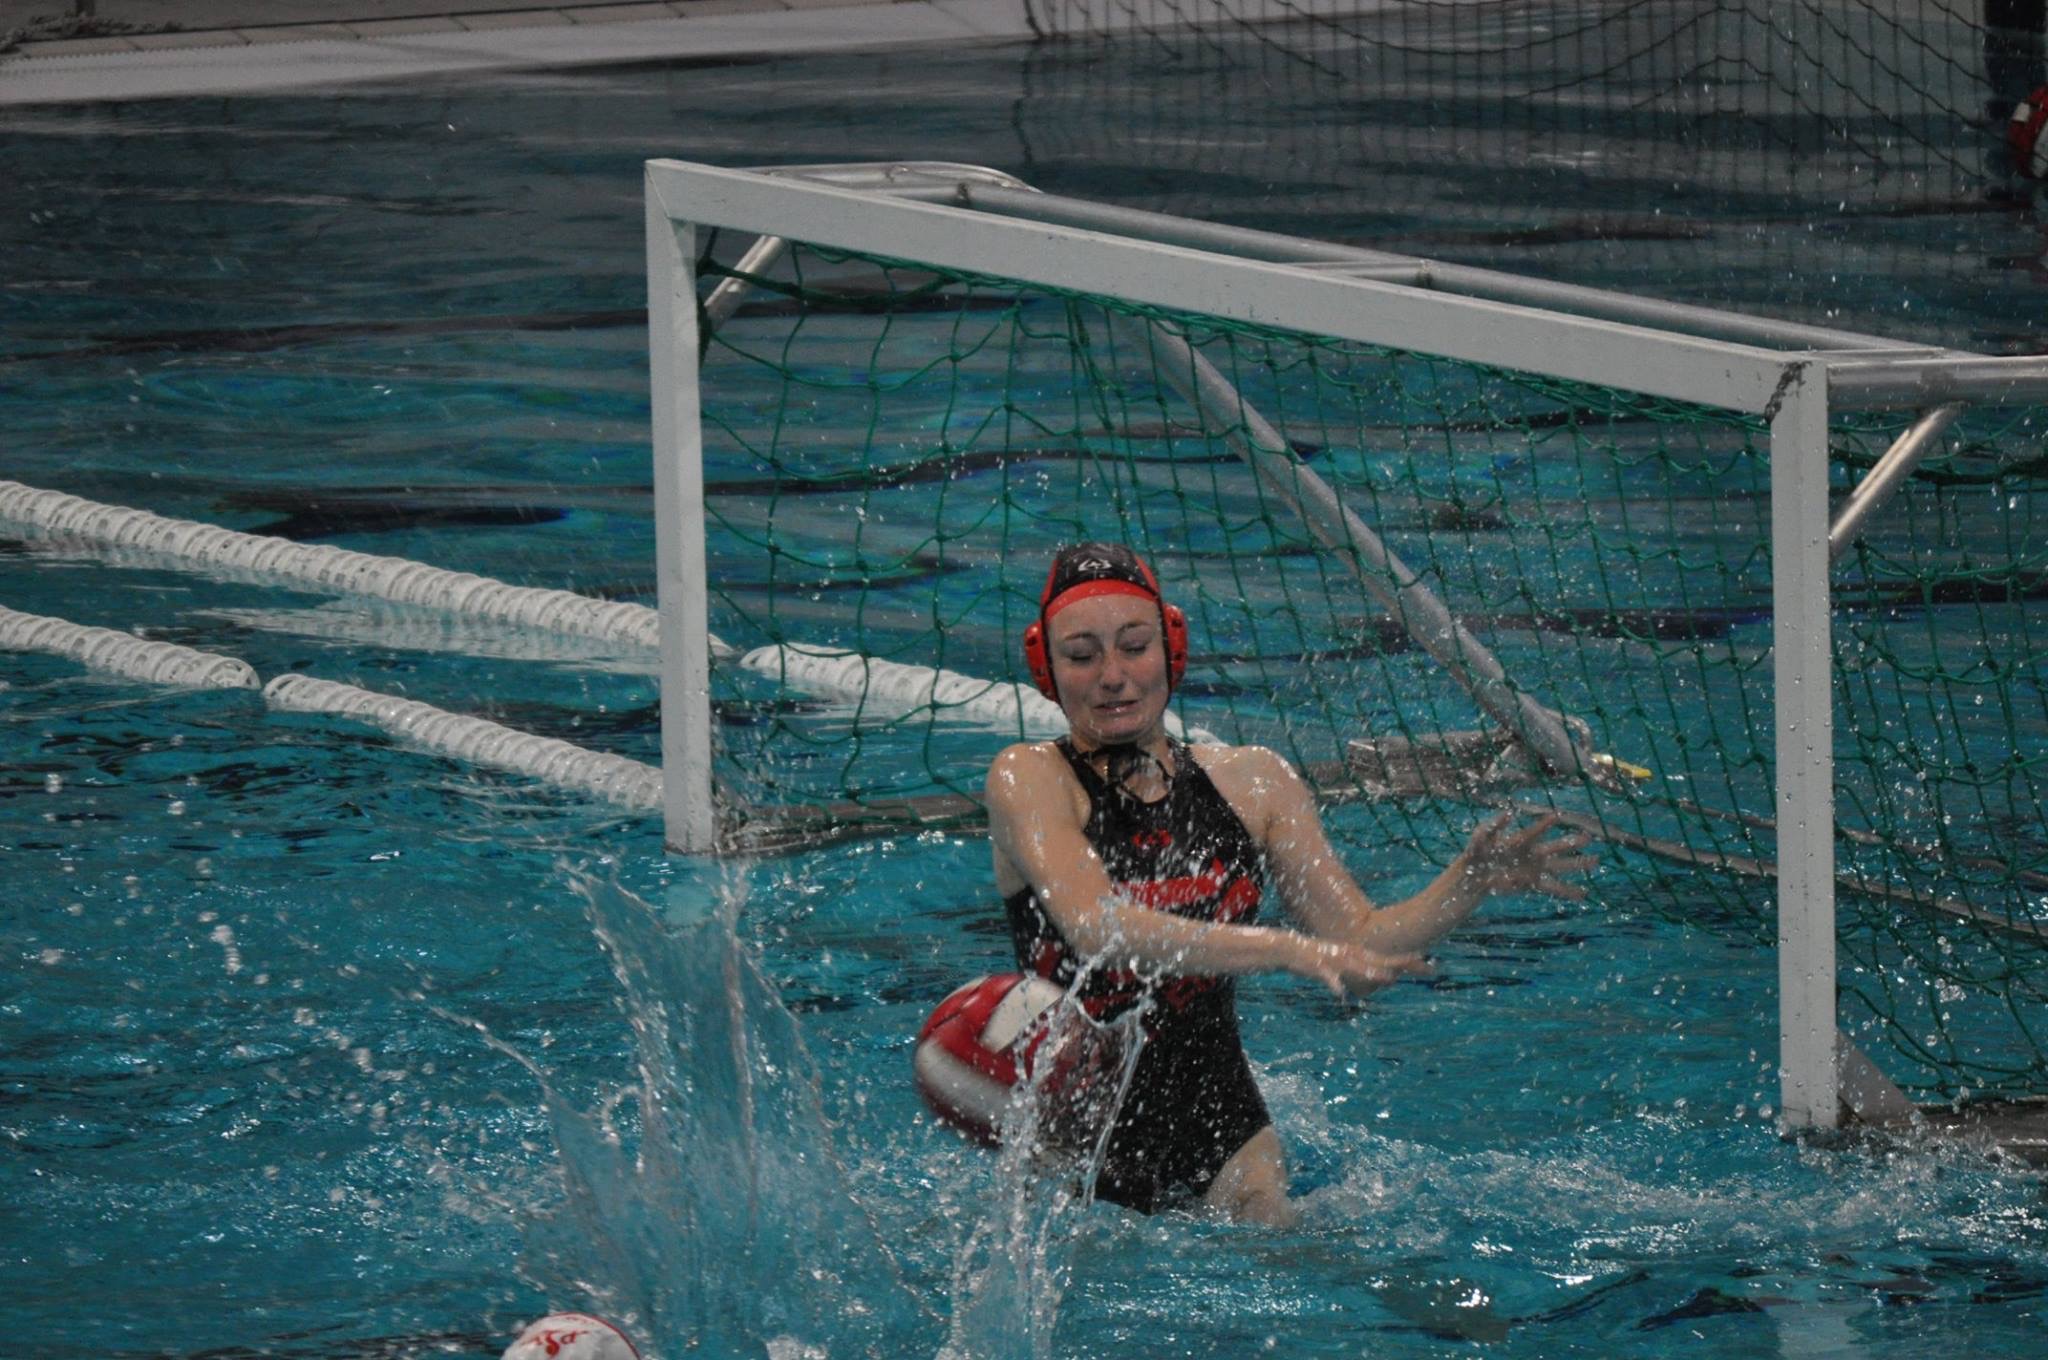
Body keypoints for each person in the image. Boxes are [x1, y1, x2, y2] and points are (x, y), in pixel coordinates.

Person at [986, 543, 1595, 1225]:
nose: (1113, 676)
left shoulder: (1257, 783)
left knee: (1297, 1247)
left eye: (1135, 647)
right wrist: (1284, 948)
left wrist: (1466, 882)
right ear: (1046, 668)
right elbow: (1098, 927)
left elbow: (1360, 948)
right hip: (1074, 1140)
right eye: (1082, 656)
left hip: (1221, 1118)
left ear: (1171, 648)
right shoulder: (1028, 778)